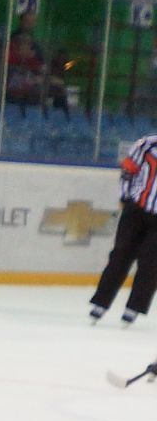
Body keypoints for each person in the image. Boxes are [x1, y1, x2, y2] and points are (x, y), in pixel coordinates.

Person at [88, 132, 157, 326]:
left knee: (151, 263)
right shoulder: (147, 144)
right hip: (136, 209)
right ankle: (101, 302)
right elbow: (128, 170)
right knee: (120, 255)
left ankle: (134, 307)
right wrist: (125, 198)